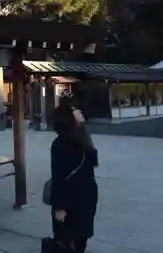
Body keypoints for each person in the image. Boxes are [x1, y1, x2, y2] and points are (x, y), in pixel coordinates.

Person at [50, 104, 99, 253]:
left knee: (67, 241)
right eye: (74, 110)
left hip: (71, 201)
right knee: (79, 240)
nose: (79, 111)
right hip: (86, 198)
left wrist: (59, 207)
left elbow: (58, 178)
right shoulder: (83, 139)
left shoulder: (61, 144)